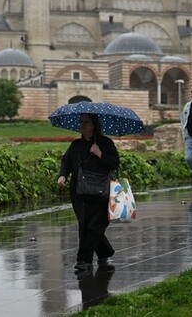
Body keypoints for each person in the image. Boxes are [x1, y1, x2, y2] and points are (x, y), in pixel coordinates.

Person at [57, 113, 120, 272]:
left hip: (100, 192)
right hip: (79, 193)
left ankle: (83, 260)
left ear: (94, 125)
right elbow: (66, 161)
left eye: (86, 122)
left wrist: (100, 154)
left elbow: (114, 163)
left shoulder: (105, 142)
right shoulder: (76, 144)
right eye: (81, 122)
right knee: (86, 224)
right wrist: (63, 175)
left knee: (92, 226)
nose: (82, 124)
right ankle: (104, 251)